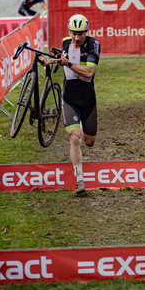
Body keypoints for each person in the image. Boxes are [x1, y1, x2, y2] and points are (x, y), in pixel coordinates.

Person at [43, 14, 100, 194]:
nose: (76, 38)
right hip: (70, 97)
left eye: (80, 34)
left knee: (89, 141)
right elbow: (63, 59)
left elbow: (89, 72)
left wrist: (68, 63)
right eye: (73, 33)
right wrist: (51, 61)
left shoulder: (93, 45)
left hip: (87, 97)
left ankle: (82, 126)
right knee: (74, 137)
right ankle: (80, 180)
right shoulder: (65, 42)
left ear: (86, 32)